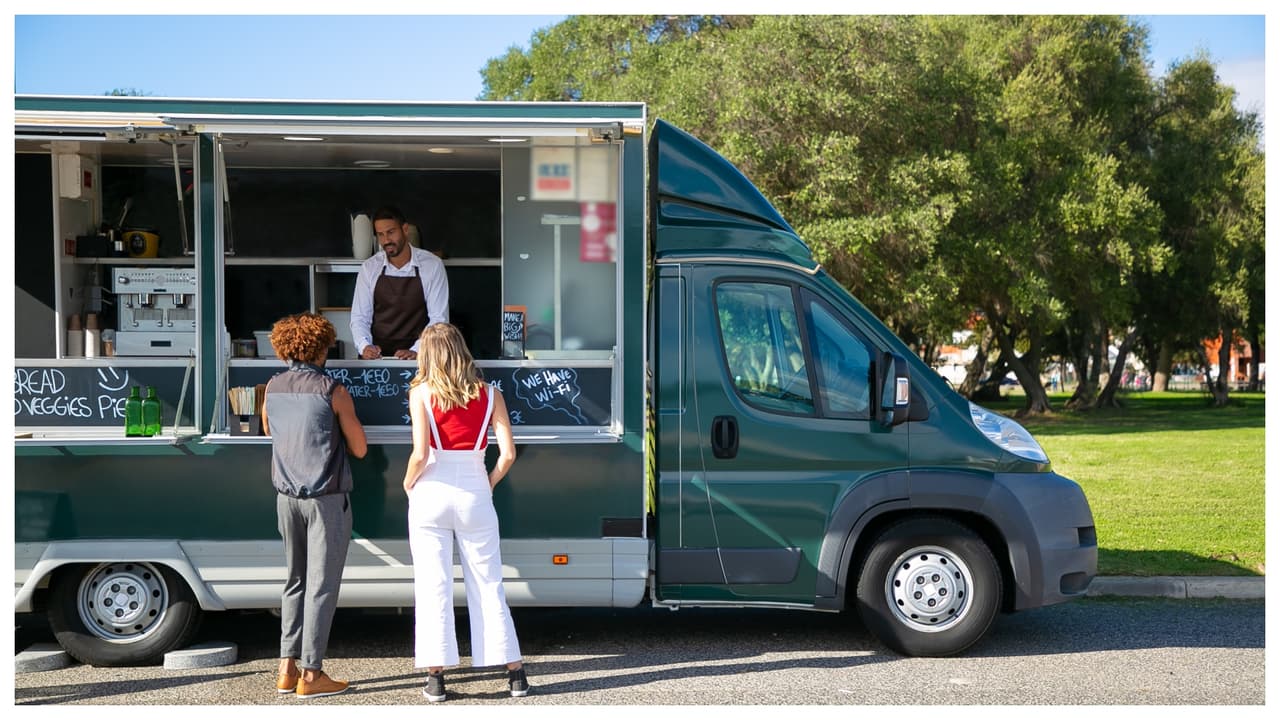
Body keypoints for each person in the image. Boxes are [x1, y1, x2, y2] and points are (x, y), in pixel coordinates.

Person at [402, 323, 529, 702]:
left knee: (433, 584)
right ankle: (515, 673)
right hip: (475, 489)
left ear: (427, 354)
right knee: (488, 581)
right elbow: (508, 454)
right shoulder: (491, 395)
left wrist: (409, 484)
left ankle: (436, 678)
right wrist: (488, 483)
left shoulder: (420, 393)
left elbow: (421, 454)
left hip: (431, 491)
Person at [261, 312, 368, 699]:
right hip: (325, 500)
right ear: (321, 347)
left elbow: (270, 429)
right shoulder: (332, 390)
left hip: (285, 499)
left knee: (295, 580)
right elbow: (359, 448)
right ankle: (312, 675)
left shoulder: (272, 387)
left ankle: (286, 669)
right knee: (321, 586)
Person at [350, 205, 450, 361]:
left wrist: (417, 350)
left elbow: (439, 320)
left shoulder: (432, 265)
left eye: (391, 232)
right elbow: (360, 318)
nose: (386, 240)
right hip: (378, 359)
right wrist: (365, 346)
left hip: (420, 358)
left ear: (405, 229)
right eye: (381, 235)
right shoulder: (369, 268)